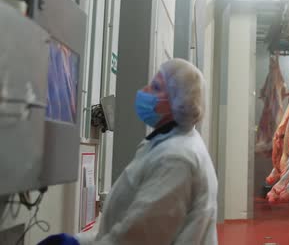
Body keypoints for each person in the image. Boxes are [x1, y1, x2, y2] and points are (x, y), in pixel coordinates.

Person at [39, 59, 218, 244]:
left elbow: (137, 238)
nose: (145, 91)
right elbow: (125, 230)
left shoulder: (177, 159)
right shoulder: (164, 145)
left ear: (179, 102)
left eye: (156, 87)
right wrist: (79, 241)